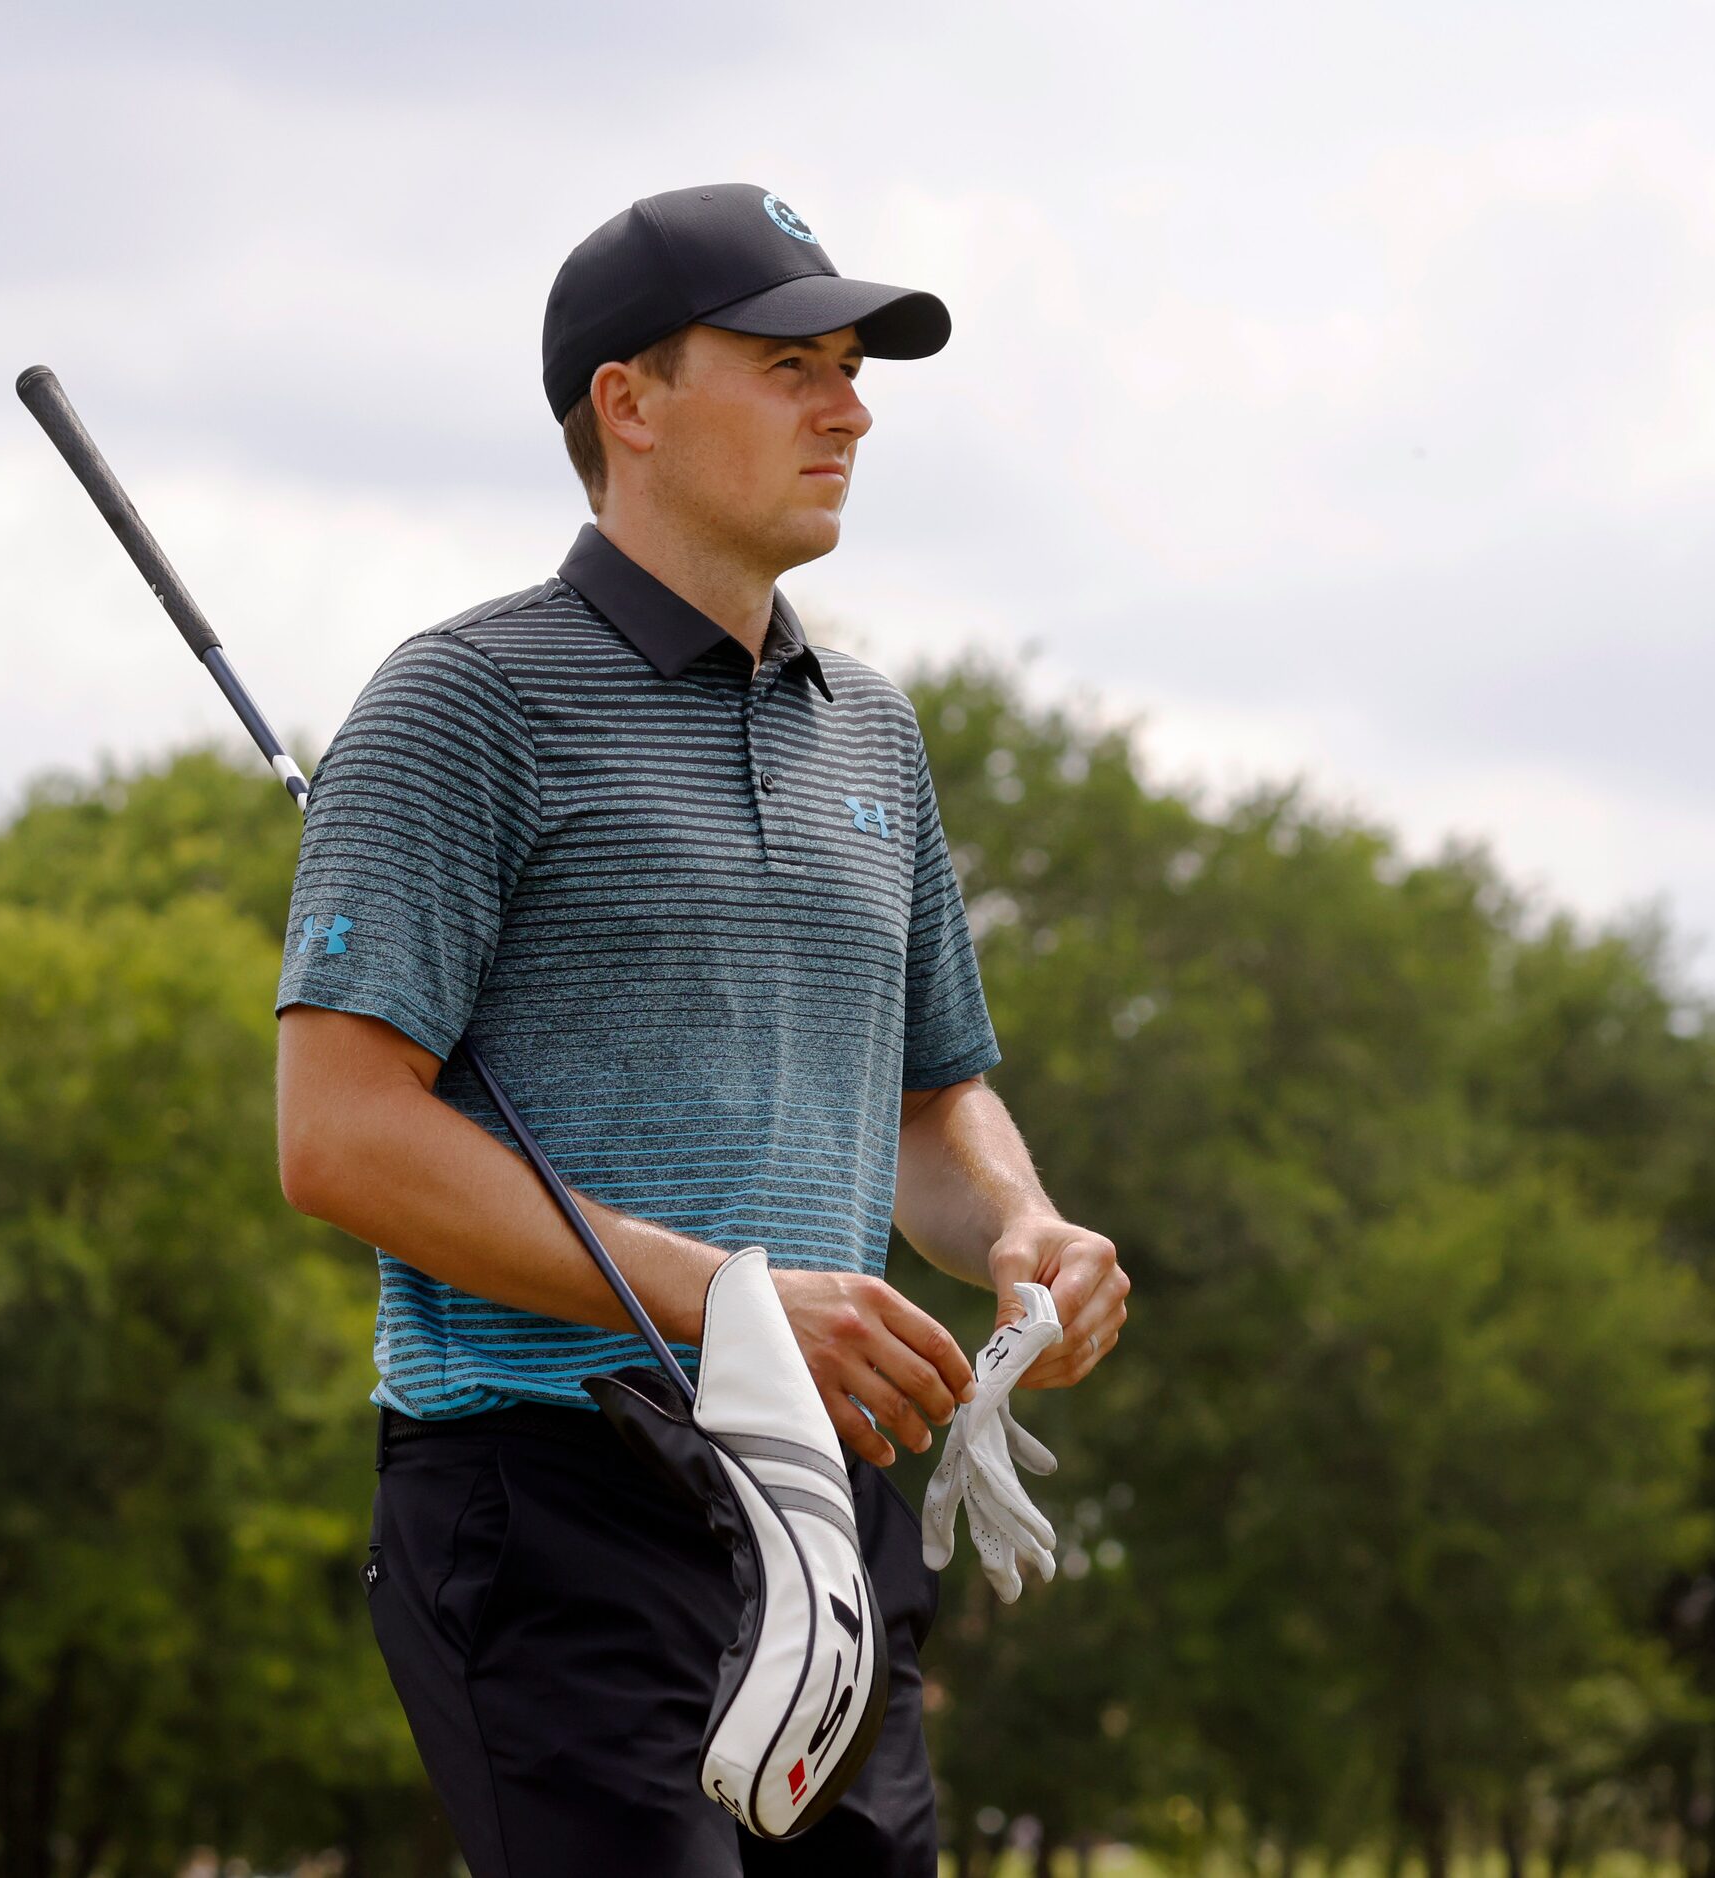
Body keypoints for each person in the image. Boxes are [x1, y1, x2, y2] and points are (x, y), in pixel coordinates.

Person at [272, 182, 1131, 1876]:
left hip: (827, 1506)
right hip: (552, 1499)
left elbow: (928, 1104)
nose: (853, 406)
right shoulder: (462, 705)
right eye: (793, 364)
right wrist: (732, 1297)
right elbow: (341, 1136)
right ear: (631, 403)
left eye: (854, 369)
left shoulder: (872, 736)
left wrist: (1020, 1226)